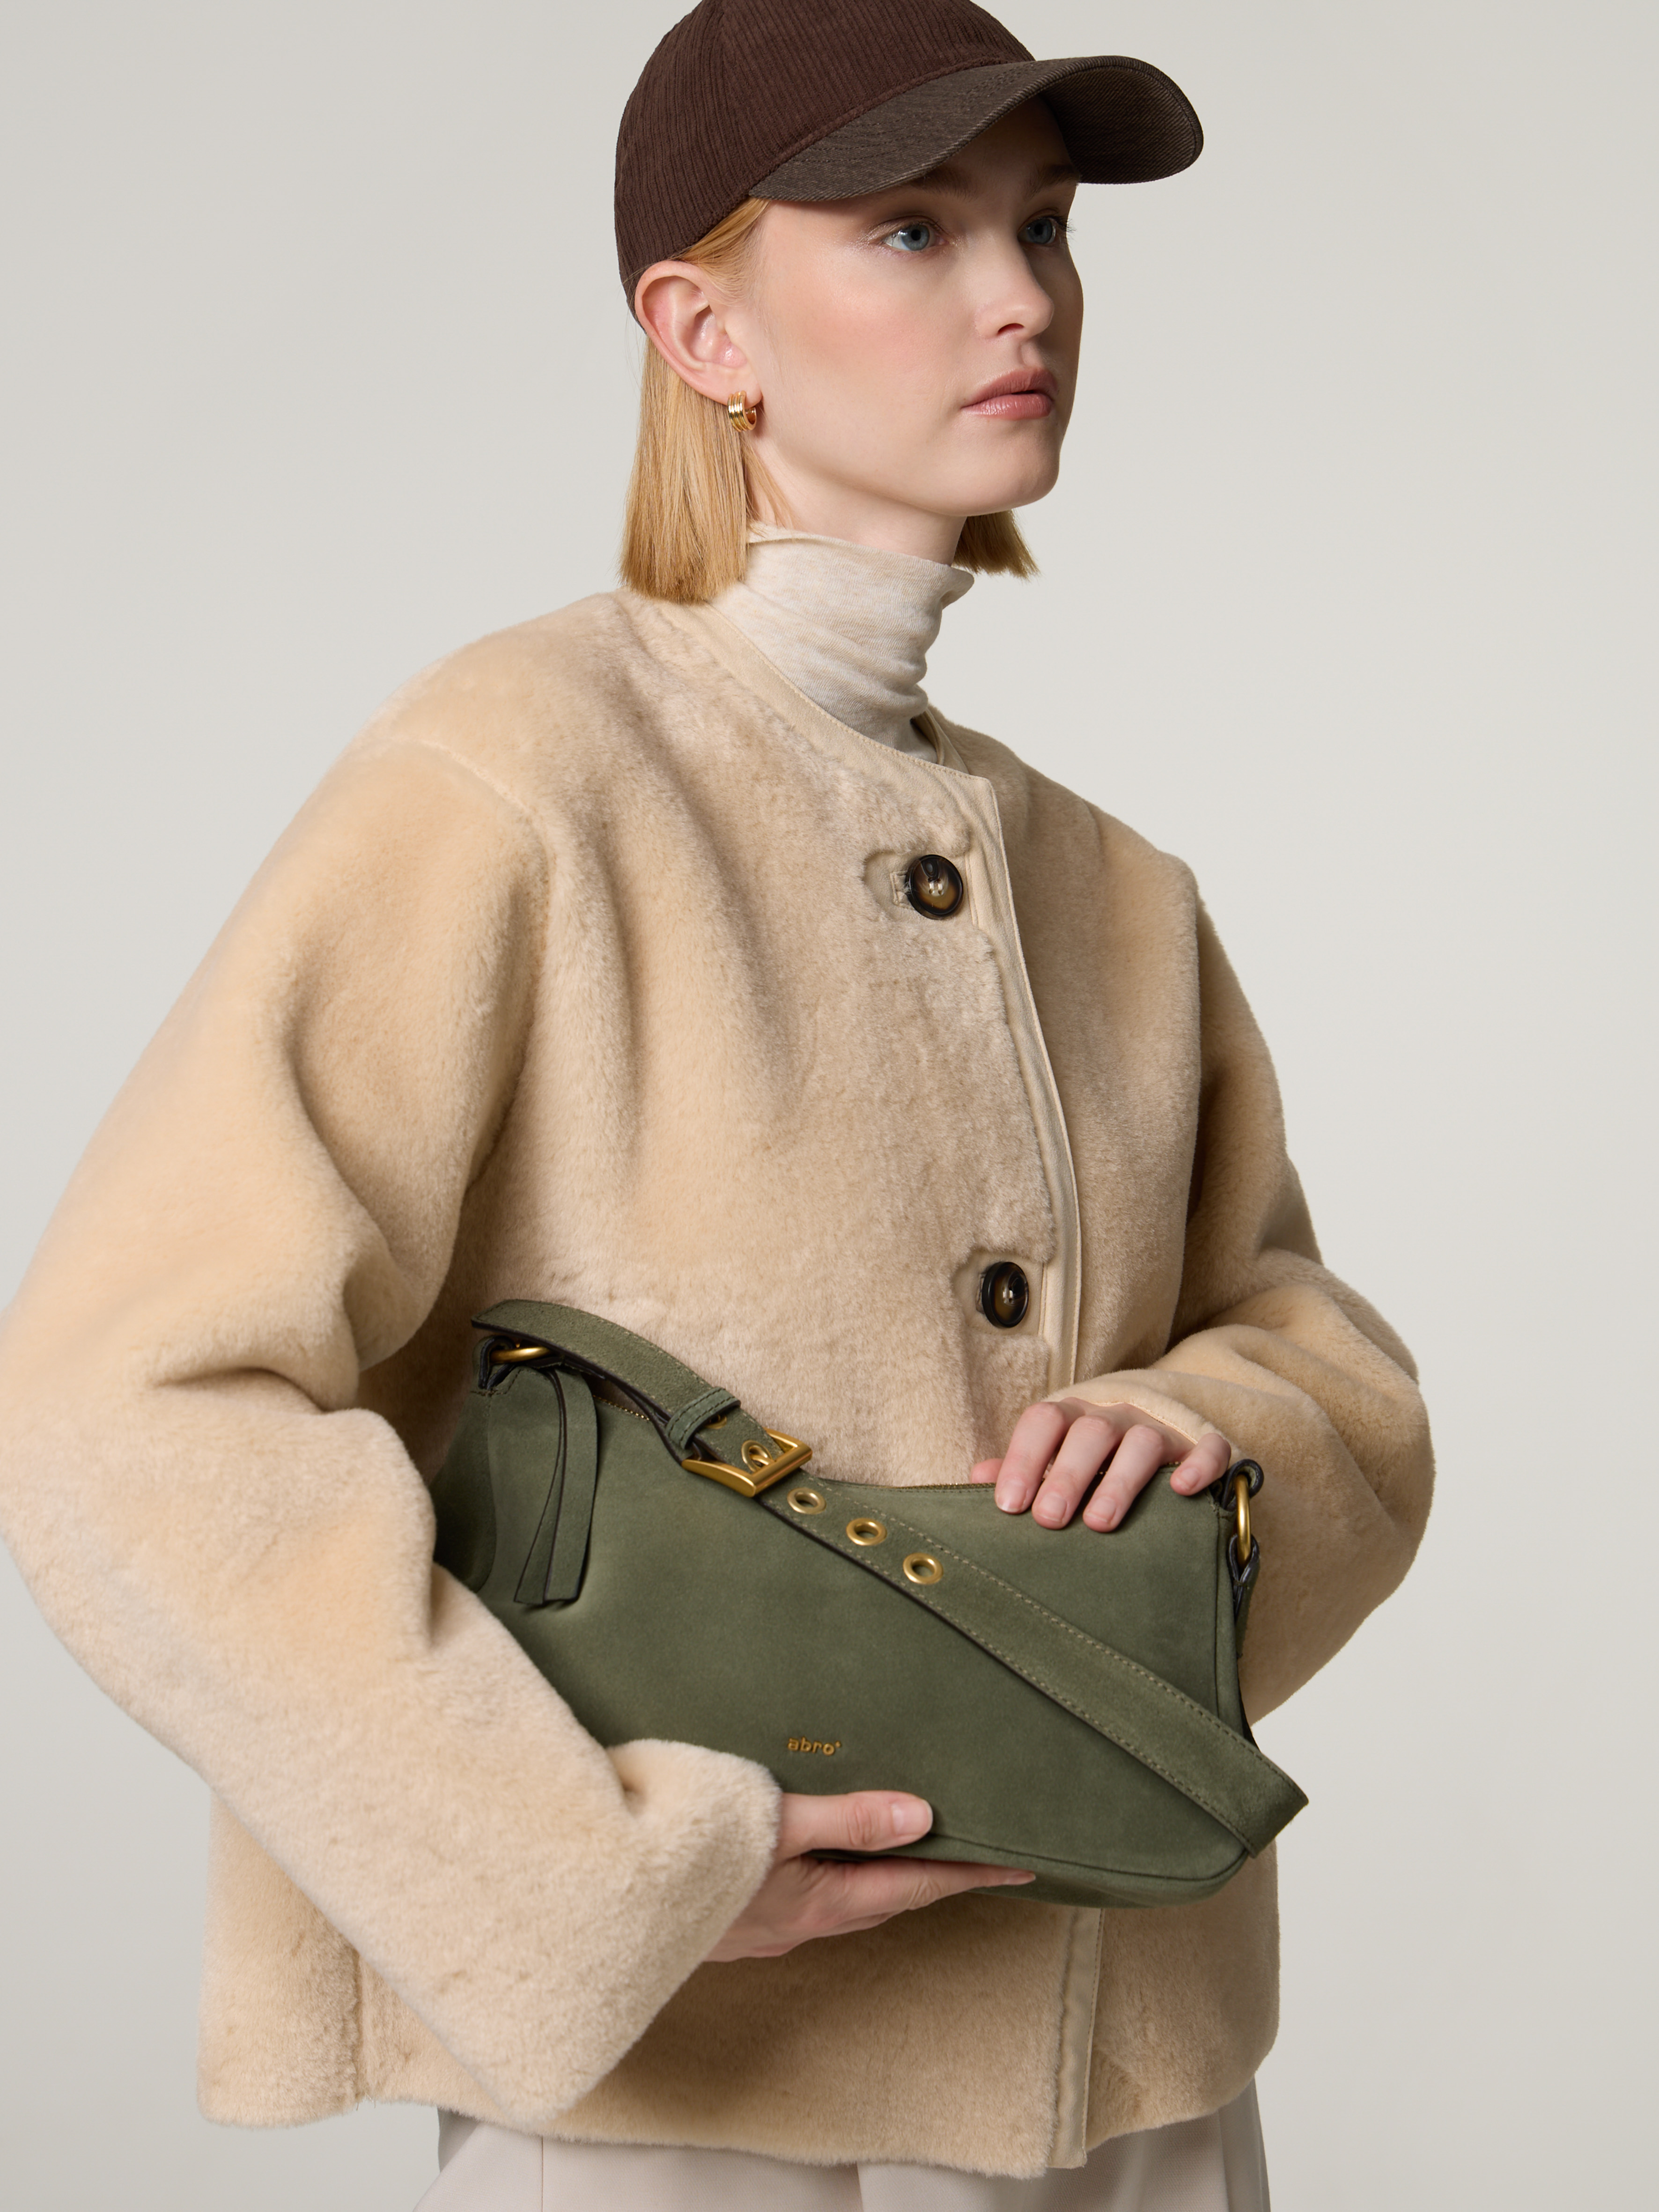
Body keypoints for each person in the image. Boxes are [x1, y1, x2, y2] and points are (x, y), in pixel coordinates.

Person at [0, 2, 1433, 2205]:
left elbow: (1308, 1342)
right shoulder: (517, 773)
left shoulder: (1113, 886)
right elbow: (128, 1397)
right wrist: (591, 1864)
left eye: (1046, 225)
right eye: (912, 230)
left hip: (1124, 2074)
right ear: (703, 330)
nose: (1022, 296)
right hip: (685, 2098)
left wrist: (1215, 1426)